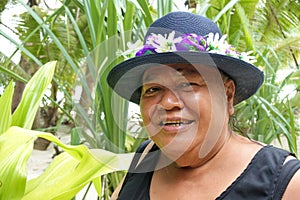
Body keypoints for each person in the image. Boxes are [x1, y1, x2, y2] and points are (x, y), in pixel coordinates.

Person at [107, 11, 300, 199]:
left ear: (228, 95)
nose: (167, 102)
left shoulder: (286, 183)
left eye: (188, 84)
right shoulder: (146, 157)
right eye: (153, 89)